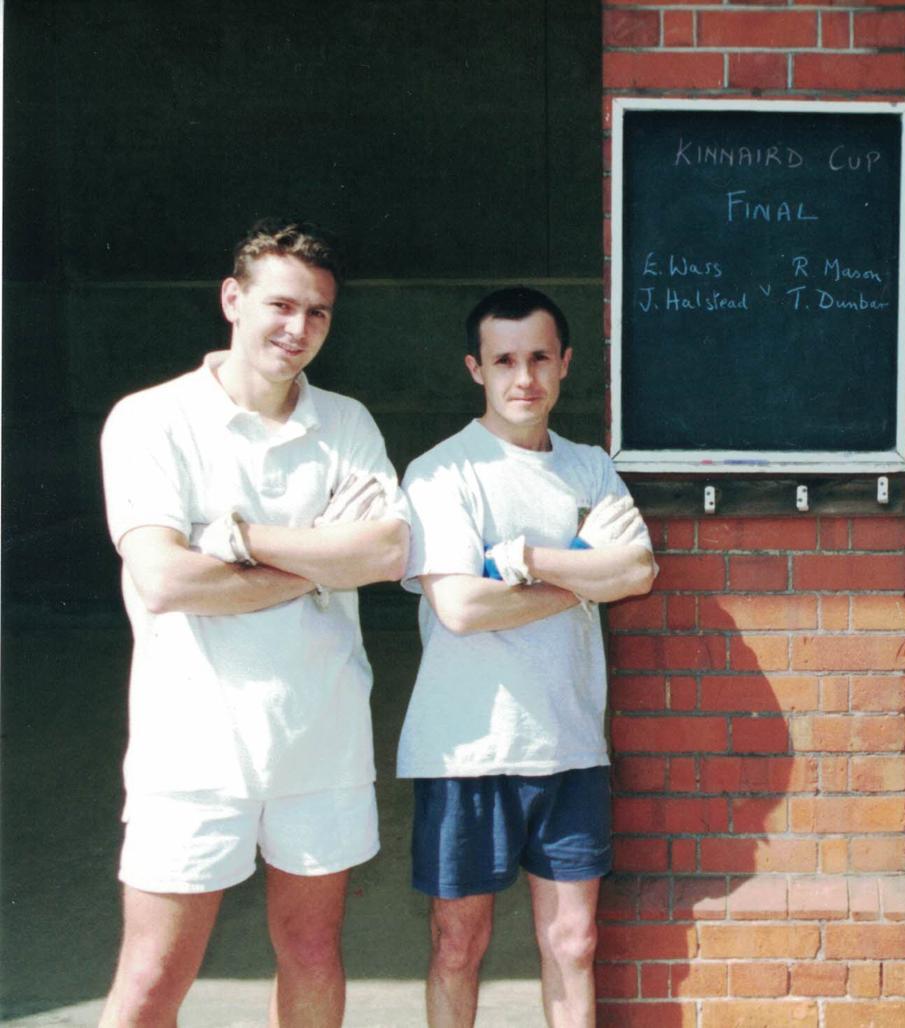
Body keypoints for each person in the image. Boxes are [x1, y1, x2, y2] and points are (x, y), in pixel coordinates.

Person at [97, 219, 410, 1027]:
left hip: (321, 739)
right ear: (232, 299)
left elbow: (385, 551)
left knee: (311, 954)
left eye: (318, 314)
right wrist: (317, 561)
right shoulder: (150, 419)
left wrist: (234, 546)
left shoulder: (347, 423)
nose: (297, 329)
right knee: (153, 979)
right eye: (280, 305)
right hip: (192, 747)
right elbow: (164, 577)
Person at [397, 286, 656, 1027]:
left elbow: (636, 572)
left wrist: (533, 562)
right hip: (465, 749)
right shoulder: (442, 471)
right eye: (504, 359)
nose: (524, 378)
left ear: (566, 363)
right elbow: (461, 607)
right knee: (457, 941)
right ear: (475, 369)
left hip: (569, 742)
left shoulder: (588, 469)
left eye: (539, 357)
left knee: (572, 940)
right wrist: (580, 577)